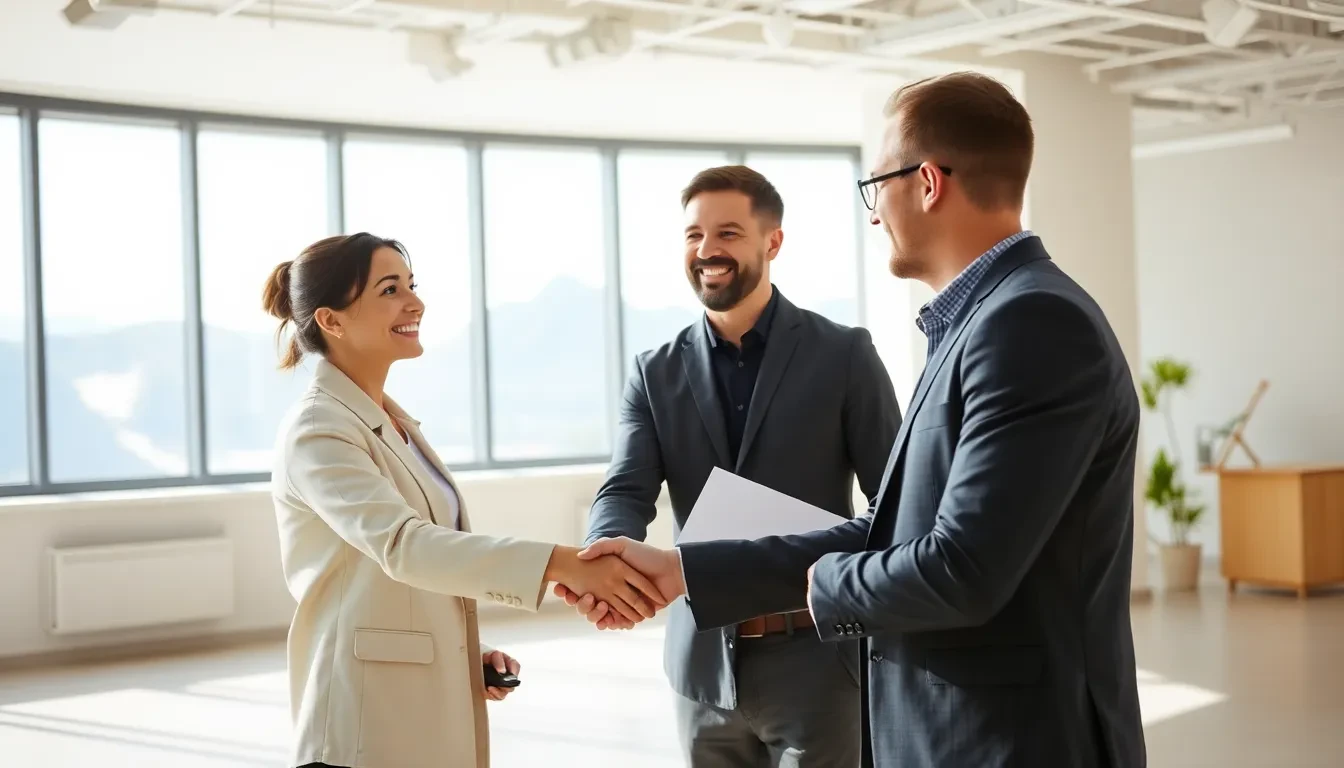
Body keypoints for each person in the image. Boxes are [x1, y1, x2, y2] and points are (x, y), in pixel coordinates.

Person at [580, 72, 1148, 768]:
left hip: (1006, 739)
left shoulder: (1028, 324)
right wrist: (683, 571)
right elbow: (897, 530)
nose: (873, 211)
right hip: (941, 724)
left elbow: (961, 567)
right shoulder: (979, 324)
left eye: (876, 184)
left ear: (929, 183)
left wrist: (821, 586)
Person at [264, 233, 666, 768]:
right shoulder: (319, 429)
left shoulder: (391, 422)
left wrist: (461, 658)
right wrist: (567, 565)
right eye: (389, 290)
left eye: (411, 285)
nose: (415, 302)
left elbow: (398, 575)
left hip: (407, 702)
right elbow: (407, 546)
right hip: (359, 722)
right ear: (332, 321)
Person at [555, 166, 902, 767]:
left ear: (773, 242)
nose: (707, 250)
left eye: (729, 233)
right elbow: (626, 489)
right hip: (702, 666)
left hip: (818, 655)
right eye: (693, 235)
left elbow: (896, 503)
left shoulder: (845, 354)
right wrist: (604, 558)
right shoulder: (654, 370)